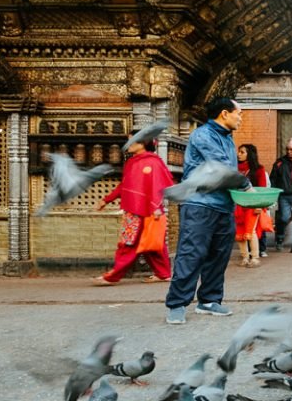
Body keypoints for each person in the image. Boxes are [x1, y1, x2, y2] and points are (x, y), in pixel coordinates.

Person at [165, 97, 251, 324]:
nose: (240, 118)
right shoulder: (203, 135)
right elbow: (222, 167)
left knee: (218, 255)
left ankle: (210, 300)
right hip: (199, 204)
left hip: (223, 205)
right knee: (191, 254)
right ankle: (177, 304)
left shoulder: (228, 139)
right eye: (239, 113)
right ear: (225, 113)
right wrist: (247, 186)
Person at [92, 131, 174, 285]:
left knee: (130, 244)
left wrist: (155, 207)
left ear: (143, 143)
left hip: (148, 210)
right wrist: (106, 200)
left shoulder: (153, 162)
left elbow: (159, 186)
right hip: (138, 208)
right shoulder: (134, 162)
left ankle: (112, 276)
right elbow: (125, 185)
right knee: (152, 244)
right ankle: (163, 274)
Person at [235, 144, 268, 268]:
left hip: (253, 204)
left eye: (242, 152)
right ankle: (244, 257)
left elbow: (262, 189)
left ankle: (255, 258)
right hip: (237, 204)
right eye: (239, 152)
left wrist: (260, 205)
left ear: (250, 154)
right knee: (239, 232)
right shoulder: (234, 168)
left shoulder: (259, 169)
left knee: (251, 231)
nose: (239, 154)